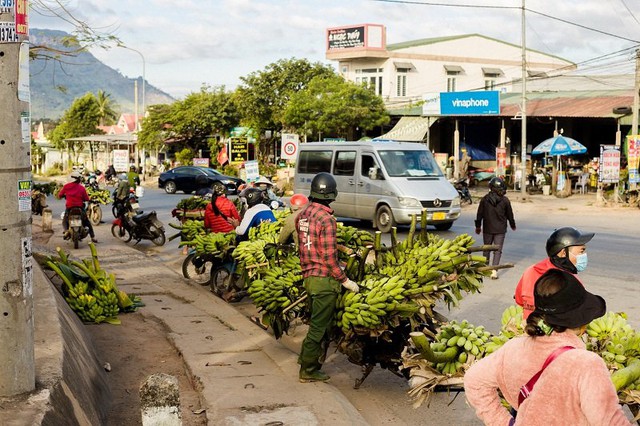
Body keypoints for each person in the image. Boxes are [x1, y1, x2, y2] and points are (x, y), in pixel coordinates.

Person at [464, 269, 630, 425]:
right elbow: (610, 421)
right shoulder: (586, 364)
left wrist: (504, 422)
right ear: (582, 321)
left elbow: (474, 380)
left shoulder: (513, 348)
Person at [295, 172, 359, 383]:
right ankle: (308, 370)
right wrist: (345, 281)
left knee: (315, 323)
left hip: (309, 277)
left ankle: (306, 358)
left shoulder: (303, 215)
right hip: (324, 281)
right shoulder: (327, 219)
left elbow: (307, 246)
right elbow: (330, 258)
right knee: (319, 327)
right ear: (332, 194)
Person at [515, 227, 594, 319]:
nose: (584, 255)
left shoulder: (530, 271)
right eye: (581, 251)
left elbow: (519, 300)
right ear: (563, 253)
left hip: (530, 329)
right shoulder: (570, 281)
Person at [475, 177, 516, 279]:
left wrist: (478, 226)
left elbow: (479, 214)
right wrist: (512, 224)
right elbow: (510, 215)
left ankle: (485, 268)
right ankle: (494, 271)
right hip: (500, 230)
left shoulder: (484, 199)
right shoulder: (505, 200)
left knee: (486, 249)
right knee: (497, 250)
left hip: (487, 229)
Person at [57, 171, 98, 243]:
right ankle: (93, 237)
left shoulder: (66, 186)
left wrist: (64, 196)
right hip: (80, 207)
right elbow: (86, 199)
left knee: (65, 220)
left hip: (69, 207)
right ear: (78, 179)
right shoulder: (81, 188)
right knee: (87, 222)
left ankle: (66, 230)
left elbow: (59, 195)